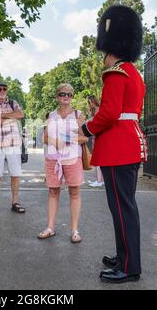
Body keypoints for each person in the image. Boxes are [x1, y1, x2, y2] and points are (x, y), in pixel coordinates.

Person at [80, 5, 147, 283]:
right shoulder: (133, 72)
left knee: (122, 208)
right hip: (129, 142)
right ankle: (124, 256)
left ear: (112, 49)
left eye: (104, 54)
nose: (103, 60)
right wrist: (101, 105)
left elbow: (109, 115)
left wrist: (86, 127)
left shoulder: (116, 73)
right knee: (124, 207)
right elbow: (123, 109)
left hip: (118, 148)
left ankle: (129, 267)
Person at [38, 84, 89, 243]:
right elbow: (44, 138)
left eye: (69, 94)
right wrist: (57, 140)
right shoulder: (51, 115)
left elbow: (85, 138)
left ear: (72, 96)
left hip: (73, 158)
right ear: (57, 97)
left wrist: (68, 139)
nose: (65, 96)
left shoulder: (78, 115)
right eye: (62, 94)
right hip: (53, 159)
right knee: (53, 192)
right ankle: (50, 228)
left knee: (74, 192)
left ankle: (74, 230)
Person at [0, 82, 26, 214]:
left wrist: (0, 116)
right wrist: (10, 116)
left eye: (4, 89)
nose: (2, 91)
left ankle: (15, 202)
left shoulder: (13, 103)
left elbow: (20, 115)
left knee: (15, 174)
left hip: (13, 144)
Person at [86, 95, 104, 188]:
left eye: (89, 102)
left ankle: (99, 180)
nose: (89, 104)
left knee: (99, 160)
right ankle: (99, 179)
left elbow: (93, 123)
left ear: (92, 102)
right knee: (99, 159)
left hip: (100, 137)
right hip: (96, 137)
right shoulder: (96, 110)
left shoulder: (99, 110)